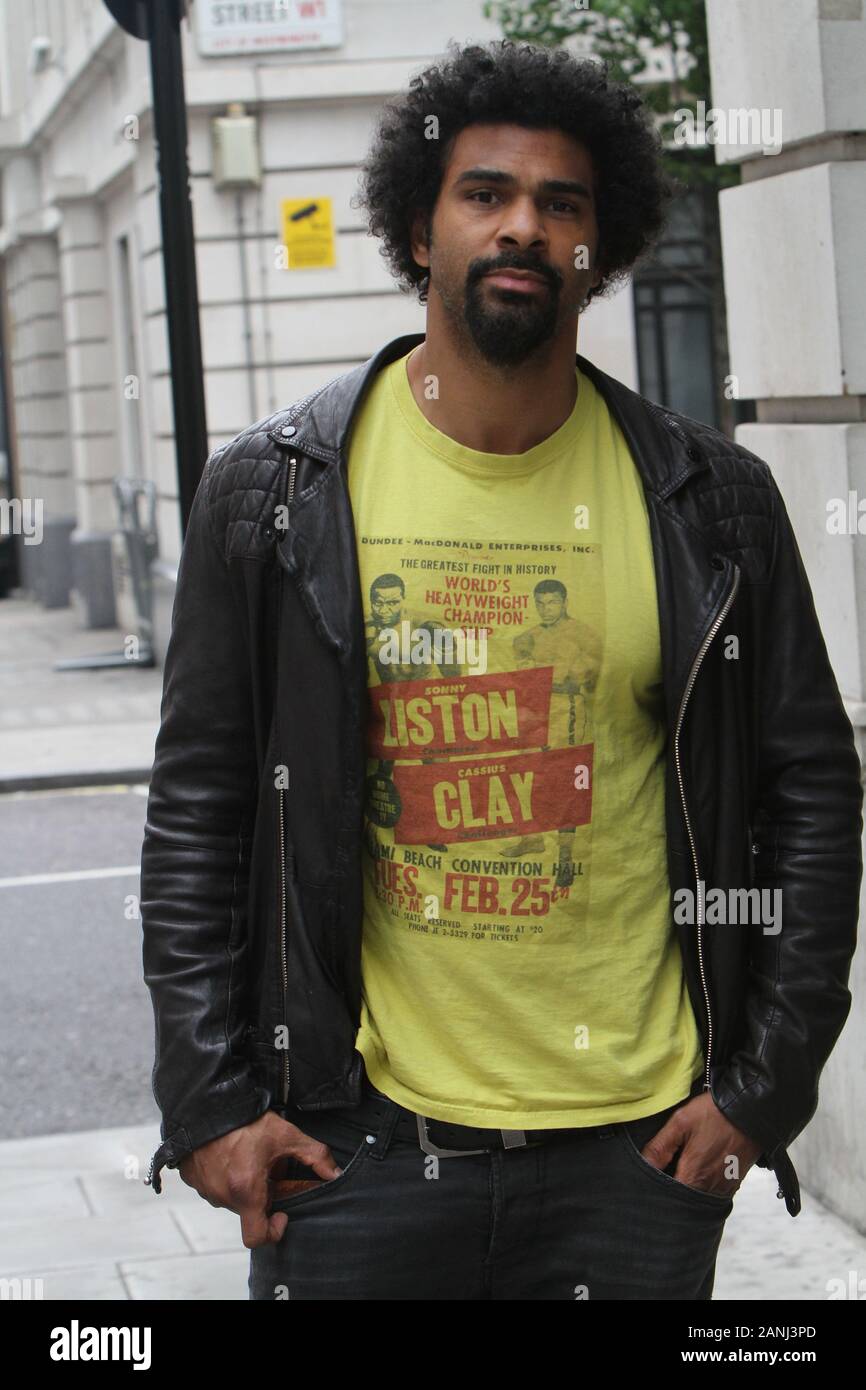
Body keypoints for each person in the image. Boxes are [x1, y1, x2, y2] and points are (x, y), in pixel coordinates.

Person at [140, 40, 863, 1301]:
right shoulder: (272, 492)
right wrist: (209, 1101)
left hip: (633, 1158)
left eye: (561, 203)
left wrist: (759, 1090)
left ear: (600, 245)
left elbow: (809, 798)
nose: (522, 225)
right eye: (483, 193)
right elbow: (200, 807)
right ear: (420, 229)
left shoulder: (711, 504)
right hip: (353, 1150)